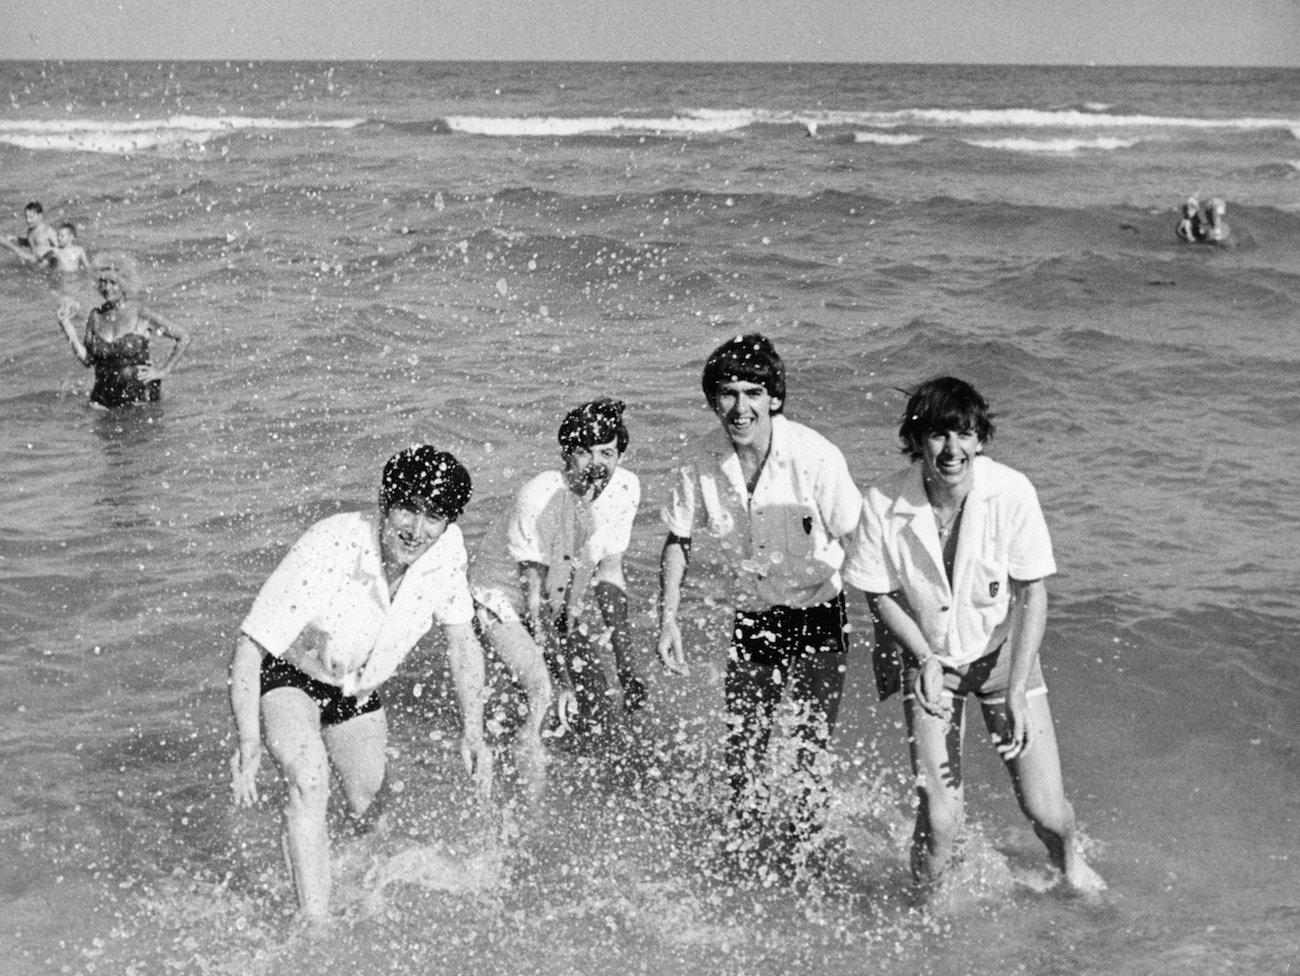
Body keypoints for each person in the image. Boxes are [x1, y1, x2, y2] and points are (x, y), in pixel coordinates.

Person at [844, 376, 1105, 897]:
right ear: (917, 440)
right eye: (938, 435)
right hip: (931, 661)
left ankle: (1070, 863)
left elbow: (1033, 593)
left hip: (1005, 657)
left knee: (1045, 813)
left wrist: (1015, 691)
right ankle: (926, 904)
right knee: (941, 821)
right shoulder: (881, 500)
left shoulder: (1012, 492)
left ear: (980, 439)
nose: (952, 449)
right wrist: (921, 656)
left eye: (963, 434)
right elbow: (880, 594)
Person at [228, 446, 495, 923]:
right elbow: (250, 647)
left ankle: (338, 884)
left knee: (368, 808)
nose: (416, 529)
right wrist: (248, 740)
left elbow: (462, 643)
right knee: (310, 780)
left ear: (449, 522)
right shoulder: (330, 543)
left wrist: (473, 732)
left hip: (357, 690)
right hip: (291, 677)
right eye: (407, 509)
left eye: (433, 516)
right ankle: (316, 926)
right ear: (384, 502)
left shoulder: (447, 551)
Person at [656, 334, 862, 836]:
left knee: (809, 753)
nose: (740, 407)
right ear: (713, 401)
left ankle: (806, 848)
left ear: (774, 398)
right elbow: (678, 540)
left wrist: (890, 630)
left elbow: (861, 542)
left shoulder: (816, 456)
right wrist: (668, 619)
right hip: (755, 613)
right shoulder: (700, 460)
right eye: (727, 393)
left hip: (820, 610)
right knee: (743, 750)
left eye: (753, 392)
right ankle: (743, 850)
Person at [471, 398, 645, 739]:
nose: (596, 465)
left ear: (620, 456)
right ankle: (522, 786)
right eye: (584, 452)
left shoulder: (626, 489)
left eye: (607, 453)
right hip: (500, 602)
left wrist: (626, 668)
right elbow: (534, 604)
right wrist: (562, 679)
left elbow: (609, 577)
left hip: (558, 605)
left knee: (600, 714)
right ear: (566, 454)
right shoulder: (539, 497)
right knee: (545, 697)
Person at [54, 251, 190, 408]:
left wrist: (163, 371)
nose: (106, 288)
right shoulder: (96, 316)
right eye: (102, 282)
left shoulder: (141, 313)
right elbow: (88, 360)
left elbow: (183, 337)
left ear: (124, 284)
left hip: (141, 402)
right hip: (103, 401)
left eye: (113, 282)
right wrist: (67, 327)